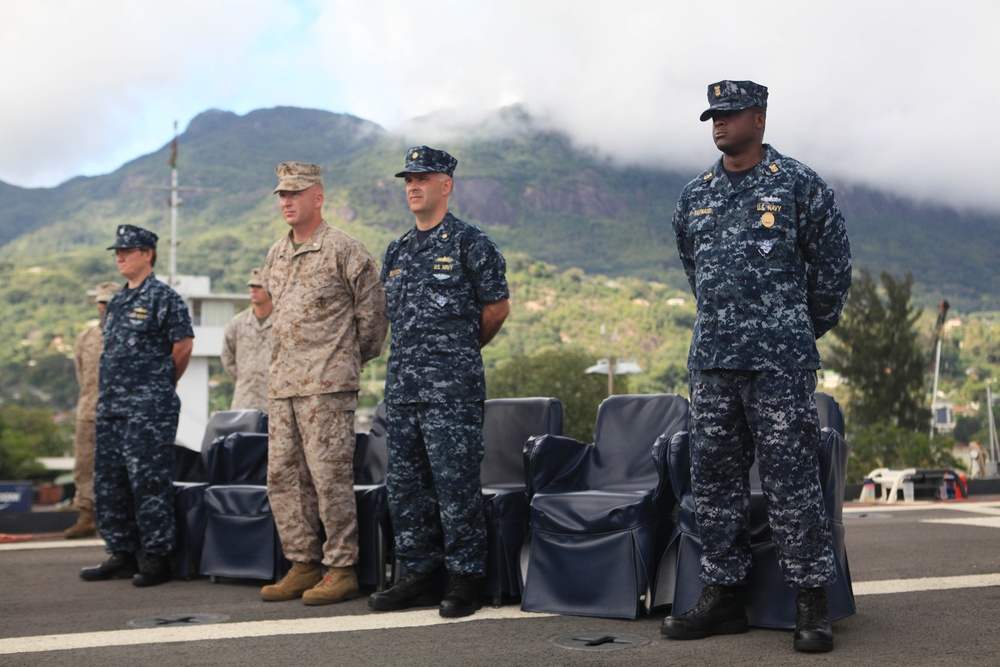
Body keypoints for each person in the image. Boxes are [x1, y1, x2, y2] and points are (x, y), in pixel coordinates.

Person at [661, 81, 852, 653]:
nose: (718, 124)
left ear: (759, 119)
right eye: (712, 116)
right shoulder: (695, 195)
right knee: (714, 480)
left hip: (779, 362)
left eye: (729, 114)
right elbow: (696, 271)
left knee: (792, 482)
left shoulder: (797, 184)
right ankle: (723, 597)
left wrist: (796, 325)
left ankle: (811, 602)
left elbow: (833, 267)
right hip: (715, 360)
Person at [368, 146, 510, 618]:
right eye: (408, 179)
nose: (413, 186)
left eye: (423, 178)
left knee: (455, 486)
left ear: (445, 185)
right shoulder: (398, 250)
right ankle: (419, 574)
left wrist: (461, 353)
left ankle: (466, 578)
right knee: (405, 486)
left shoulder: (472, 244)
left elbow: (496, 309)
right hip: (404, 390)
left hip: (452, 391)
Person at [259, 162, 388, 605]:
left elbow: (373, 320)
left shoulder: (345, 250)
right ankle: (302, 562)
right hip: (283, 385)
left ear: (319, 196)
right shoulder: (276, 253)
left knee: (329, 477)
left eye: (296, 193)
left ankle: (341, 567)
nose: (287, 201)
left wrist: (346, 362)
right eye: (282, 194)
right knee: (283, 477)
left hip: (327, 386)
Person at [80, 224, 195, 587]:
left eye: (127, 251)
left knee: (148, 483)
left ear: (147, 253)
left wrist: (160, 386)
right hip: (112, 407)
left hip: (148, 410)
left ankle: (157, 557)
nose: (120, 257)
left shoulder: (164, 297)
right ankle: (122, 552)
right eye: (117, 251)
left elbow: (184, 346)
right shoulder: (116, 302)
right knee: (110, 483)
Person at [64, 281, 121, 539]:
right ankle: (87, 516)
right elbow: (81, 374)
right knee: (84, 464)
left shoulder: (128, 334)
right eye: (101, 302)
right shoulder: (85, 339)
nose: (104, 306)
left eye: (109, 301)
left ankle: (119, 518)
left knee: (118, 466)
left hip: (120, 411)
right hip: (88, 409)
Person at [220, 268, 273, 412]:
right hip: (244, 398)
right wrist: (244, 378)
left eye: (259, 287)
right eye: (251, 287)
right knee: (242, 434)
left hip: (273, 400)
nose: (253, 290)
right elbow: (227, 356)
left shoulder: (282, 322)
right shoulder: (237, 323)